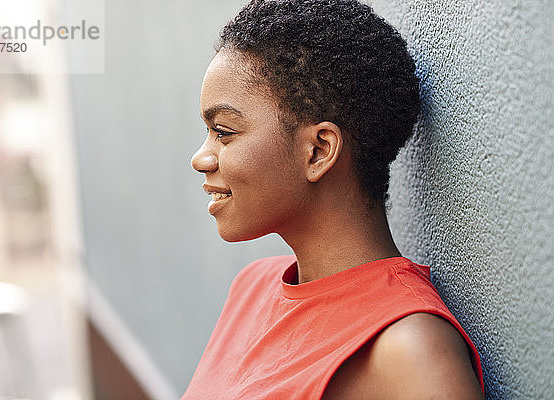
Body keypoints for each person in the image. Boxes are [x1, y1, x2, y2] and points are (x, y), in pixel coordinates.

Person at [186, 0, 484, 398]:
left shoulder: (408, 347)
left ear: (319, 151)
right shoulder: (251, 289)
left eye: (223, 131)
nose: (200, 158)